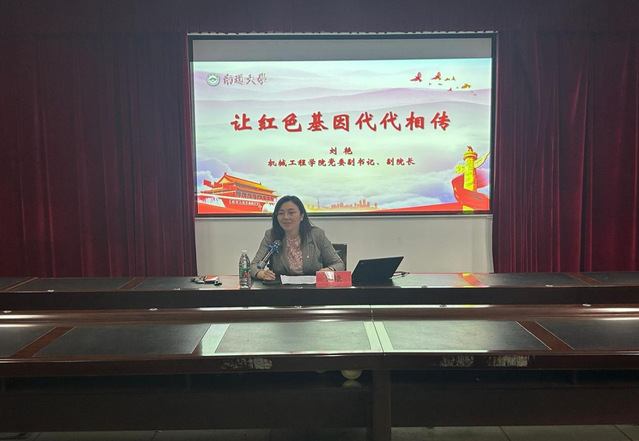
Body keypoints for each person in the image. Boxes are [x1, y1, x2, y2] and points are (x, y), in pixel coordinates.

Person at [250, 195, 345, 281]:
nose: (286, 217)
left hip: (313, 290)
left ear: (302, 216)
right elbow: (253, 266)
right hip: (281, 290)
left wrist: (329, 270)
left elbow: (339, 264)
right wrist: (262, 274)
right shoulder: (271, 235)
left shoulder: (317, 235)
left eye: (291, 212)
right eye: (281, 213)